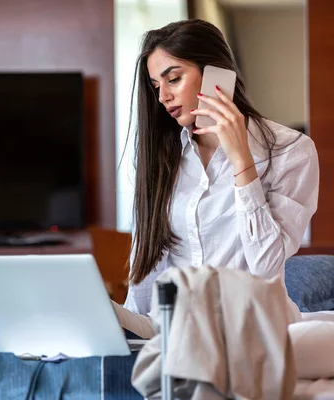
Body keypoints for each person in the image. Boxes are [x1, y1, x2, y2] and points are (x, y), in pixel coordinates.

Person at [112, 19, 319, 337]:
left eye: (174, 79)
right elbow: (148, 267)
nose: (163, 97)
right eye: (156, 87)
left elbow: (266, 264)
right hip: (172, 330)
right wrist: (126, 332)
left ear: (216, 76)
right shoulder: (163, 158)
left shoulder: (292, 151)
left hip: (251, 330)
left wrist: (242, 162)